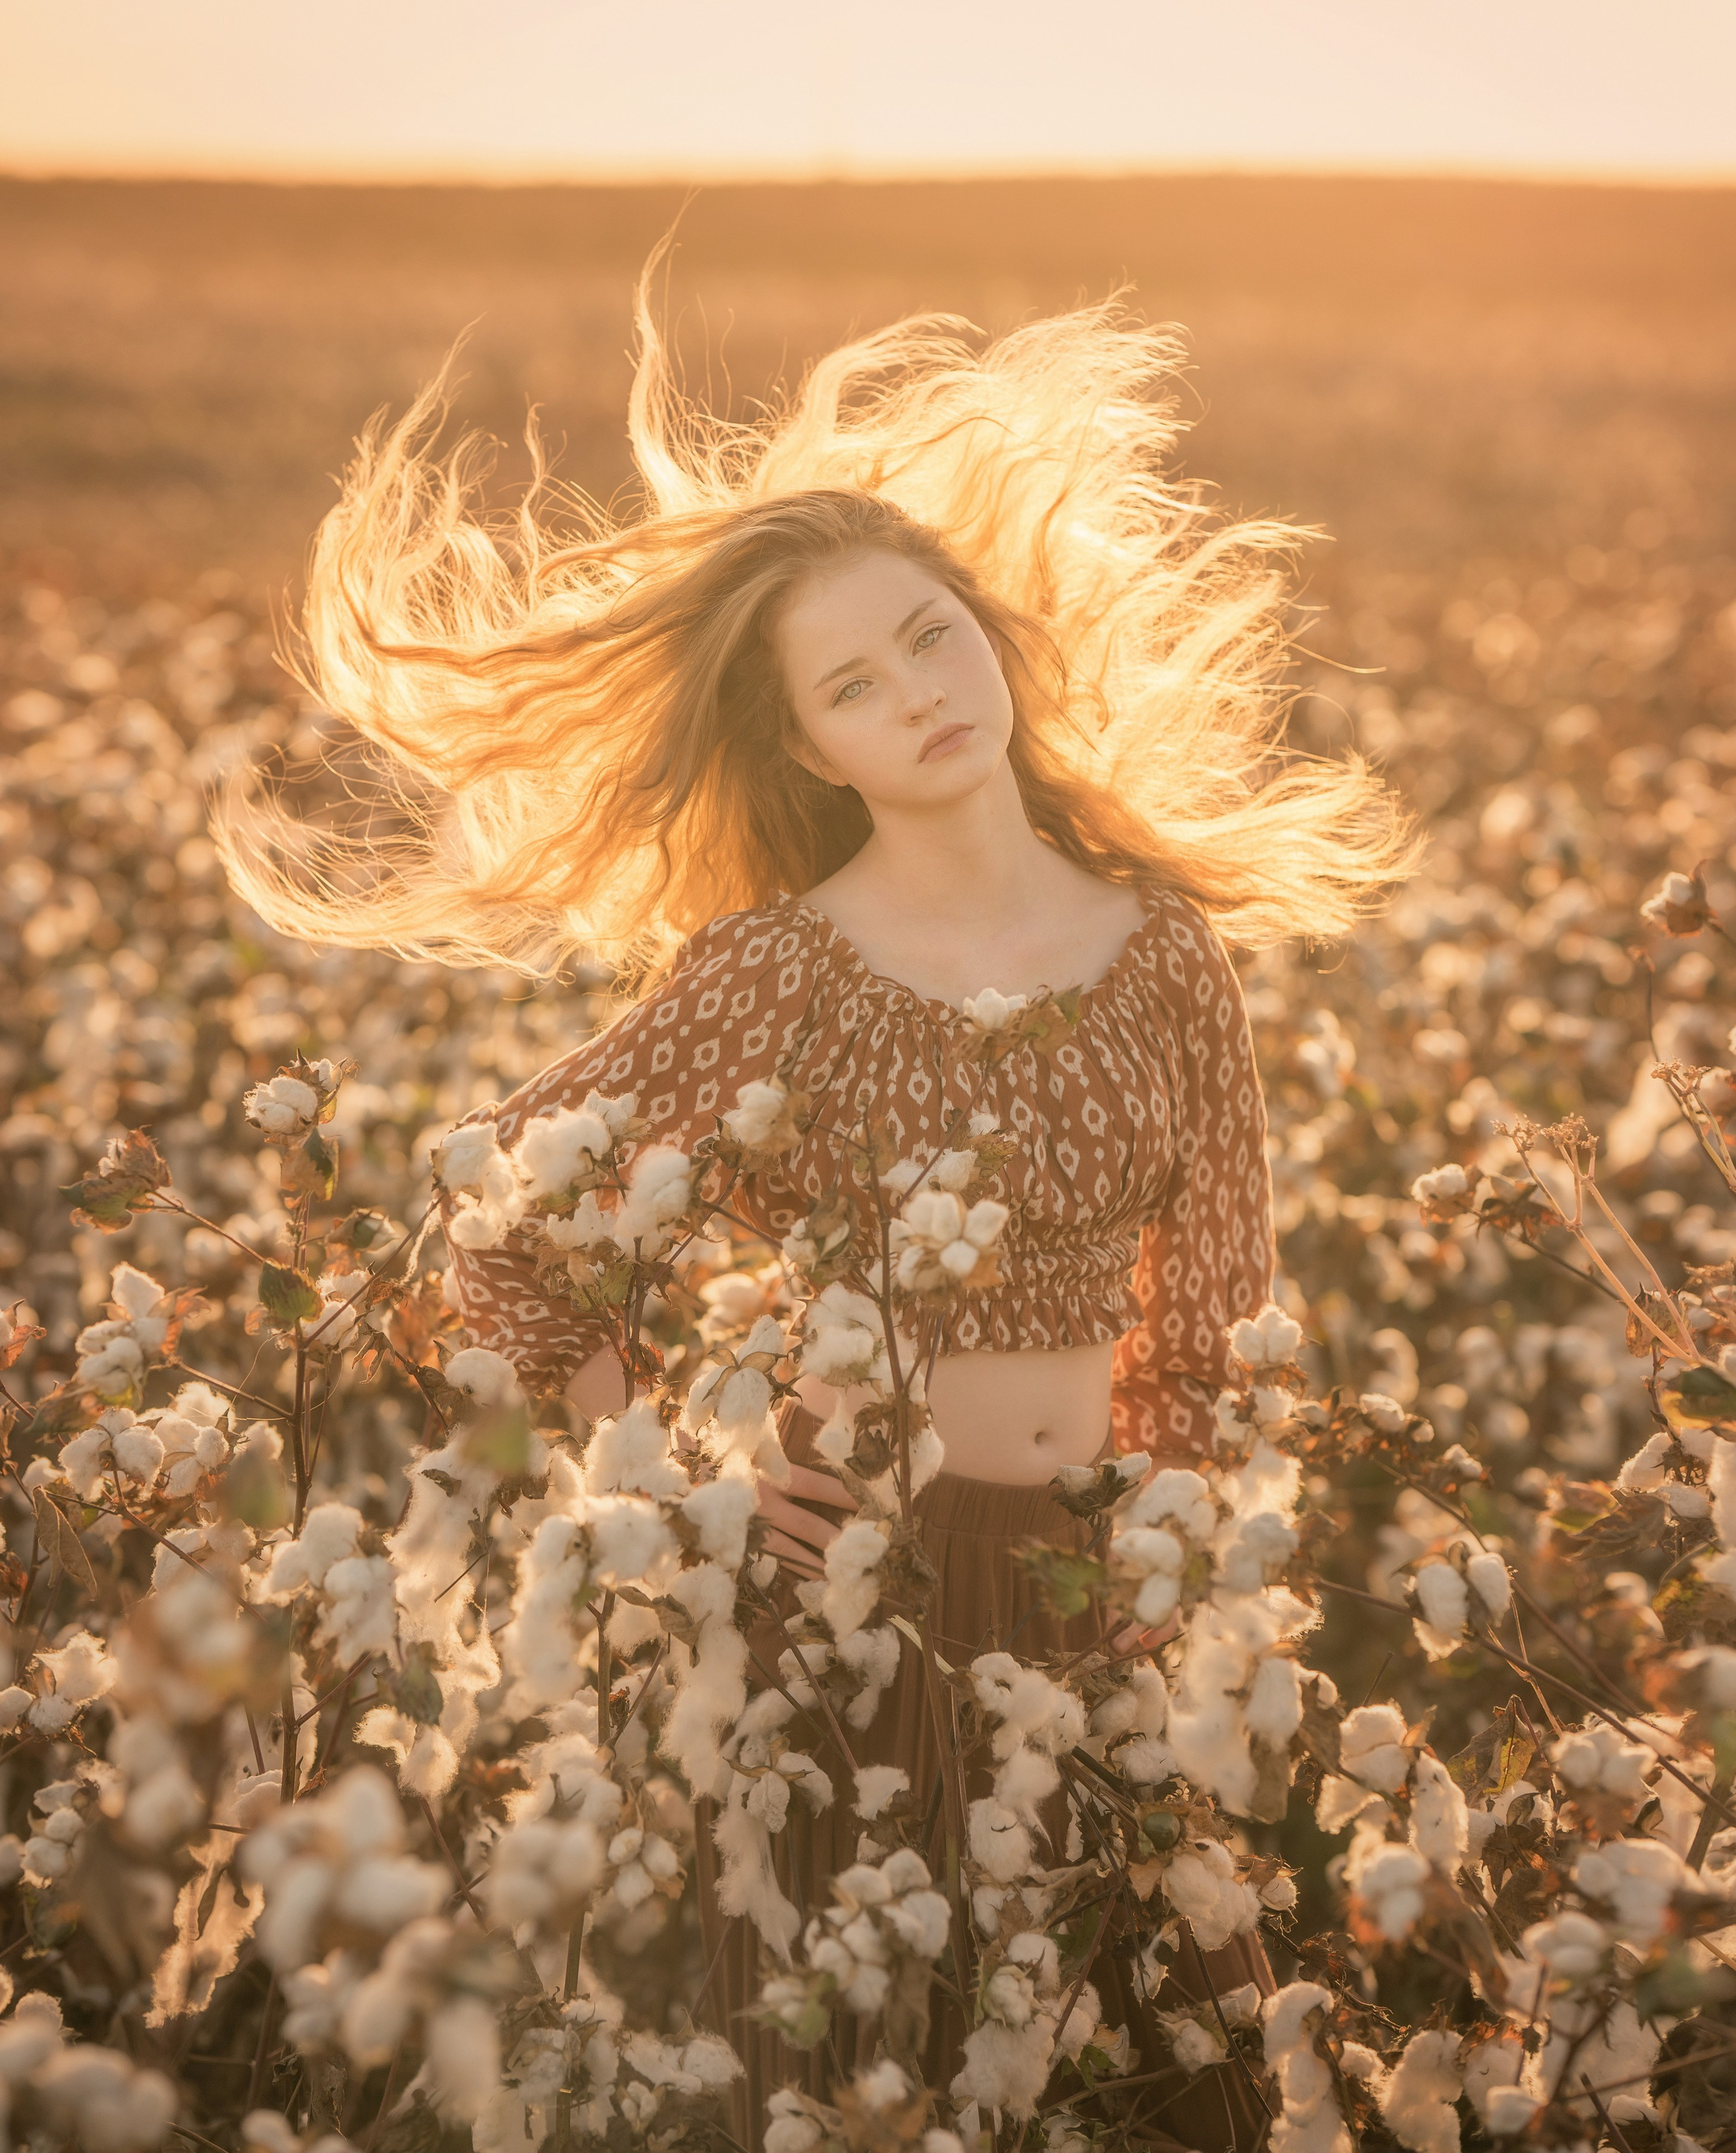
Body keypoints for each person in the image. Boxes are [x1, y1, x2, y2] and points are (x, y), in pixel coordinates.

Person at [216, 245, 1416, 2146]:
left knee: (1112, 2077)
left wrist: (1171, 1561)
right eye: (853, 683)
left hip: (1093, 1601)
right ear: (808, 747)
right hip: (842, 1603)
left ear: (991, 634)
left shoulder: (1170, 956)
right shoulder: (779, 971)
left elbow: (1213, 1319)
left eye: (931, 636)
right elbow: (508, 1226)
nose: (917, 695)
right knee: (846, 2075)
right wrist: (672, 1490)